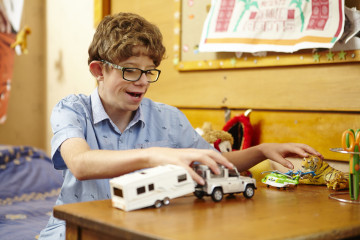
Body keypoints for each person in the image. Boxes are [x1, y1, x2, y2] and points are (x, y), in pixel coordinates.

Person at [39, 12, 322, 239]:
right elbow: (81, 163)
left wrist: (261, 150)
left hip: (142, 229)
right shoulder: (72, 109)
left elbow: (214, 161)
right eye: (131, 70)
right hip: (76, 232)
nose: (143, 81)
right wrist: (155, 155)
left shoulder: (169, 118)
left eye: (149, 72)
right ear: (99, 70)